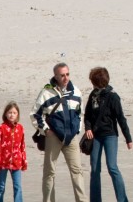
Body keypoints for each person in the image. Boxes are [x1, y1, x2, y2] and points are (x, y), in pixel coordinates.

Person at [34, 62, 87, 202]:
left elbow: (80, 113)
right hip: (53, 137)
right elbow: (35, 115)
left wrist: (77, 129)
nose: (65, 78)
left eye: (67, 74)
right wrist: (45, 130)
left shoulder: (76, 91)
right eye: (62, 75)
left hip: (71, 138)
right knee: (49, 173)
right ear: (56, 76)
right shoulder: (46, 92)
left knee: (77, 172)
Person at [83, 66, 132, 202]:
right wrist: (88, 128)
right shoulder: (93, 95)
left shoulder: (113, 97)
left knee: (112, 167)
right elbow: (87, 115)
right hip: (95, 136)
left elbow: (121, 118)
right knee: (94, 169)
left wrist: (128, 138)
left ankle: (122, 200)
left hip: (110, 135)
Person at [0, 101, 27, 202]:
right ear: (5, 114)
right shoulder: (0, 128)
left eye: (14, 113)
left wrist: (24, 162)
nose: (12, 115)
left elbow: (22, 146)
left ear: (17, 114)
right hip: (3, 162)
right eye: (10, 112)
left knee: (18, 187)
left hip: (16, 162)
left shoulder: (20, 128)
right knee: (1, 186)